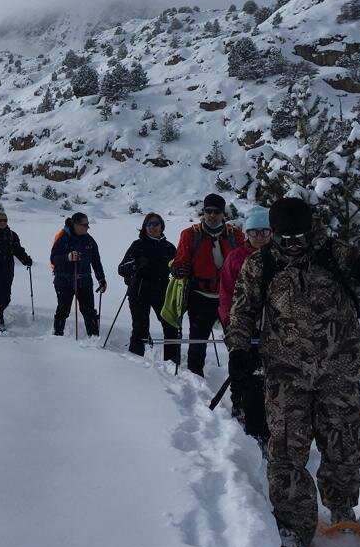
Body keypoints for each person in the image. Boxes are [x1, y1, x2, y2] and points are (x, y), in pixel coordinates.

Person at [227, 198, 360, 547]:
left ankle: (341, 505)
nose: (293, 242)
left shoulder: (338, 254)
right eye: (285, 235)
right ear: (274, 232)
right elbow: (241, 311)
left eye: (300, 234)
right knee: (286, 451)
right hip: (285, 374)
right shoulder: (261, 263)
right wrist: (239, 351)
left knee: (343, 441)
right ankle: (294, 526)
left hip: (339, 370)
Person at [218, 206, 272, 451]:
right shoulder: (236, 257)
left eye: (265, 231)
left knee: (266, 378)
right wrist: (231, 323)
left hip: (272, 330)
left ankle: (266, 421)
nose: (259, 236)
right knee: (241, 370)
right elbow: (227, 293)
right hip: (242, 327)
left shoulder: (279, 257)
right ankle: (239, 404)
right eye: (254, 231)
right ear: (247, 233)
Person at [171, 193, 241, 376]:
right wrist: (178, 270)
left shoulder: (235, 235)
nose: (211, 215)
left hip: (229, 299)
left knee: (238, 344)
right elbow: (178, 262)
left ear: (223, 213)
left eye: (216, 212)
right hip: (200, 296)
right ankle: (196, 380)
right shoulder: (189, 235)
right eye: (208, 211)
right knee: (197, 343)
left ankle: (239, 380)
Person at [117, 212, 178, 359]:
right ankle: (135, 365)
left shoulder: (169, 247)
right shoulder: (137, 245)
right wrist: (135, 264)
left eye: (156, 224)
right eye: (149, 224)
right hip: (139, 291)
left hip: (163, 290)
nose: (152, 227)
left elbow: (178, 268)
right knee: (140, 329)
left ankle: (171, 363)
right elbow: (121, 269)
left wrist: (178, 270)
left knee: (171, 328)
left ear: (162, 226)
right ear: (144, 227)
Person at [50, 211, 107, 337]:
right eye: (84, 225)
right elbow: (53, 258)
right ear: (75, 224)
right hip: (63, 281)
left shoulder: (89, 240)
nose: (87, 227)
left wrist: (101, 279)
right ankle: (57, 335)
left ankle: (93, 338)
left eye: (87, 225)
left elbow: (96, 261)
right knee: (63, 309)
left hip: (84, 280)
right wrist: (68, 257)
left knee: (89, 311)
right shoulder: (63, 238)